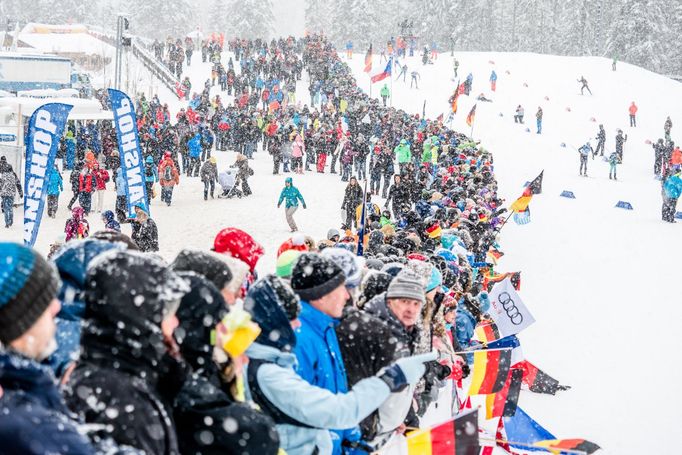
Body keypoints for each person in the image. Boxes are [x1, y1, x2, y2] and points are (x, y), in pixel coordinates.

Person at [243, 274, 435, 455]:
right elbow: (334, 409)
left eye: (416, 303)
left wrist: (353, 440)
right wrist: (390, 379)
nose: (297, 325)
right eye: (291, 319)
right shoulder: (268, 371)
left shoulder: (277, 359)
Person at [64, 250, 190, 455]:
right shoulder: (124, 399)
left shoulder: (117, 374)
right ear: (141, 317)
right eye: (167, 311)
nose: (175, 322)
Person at [0, 242, 98, 454]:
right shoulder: (27, 428)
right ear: (21, 320)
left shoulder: (20, 385)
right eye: (45, 302)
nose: (57, 307)